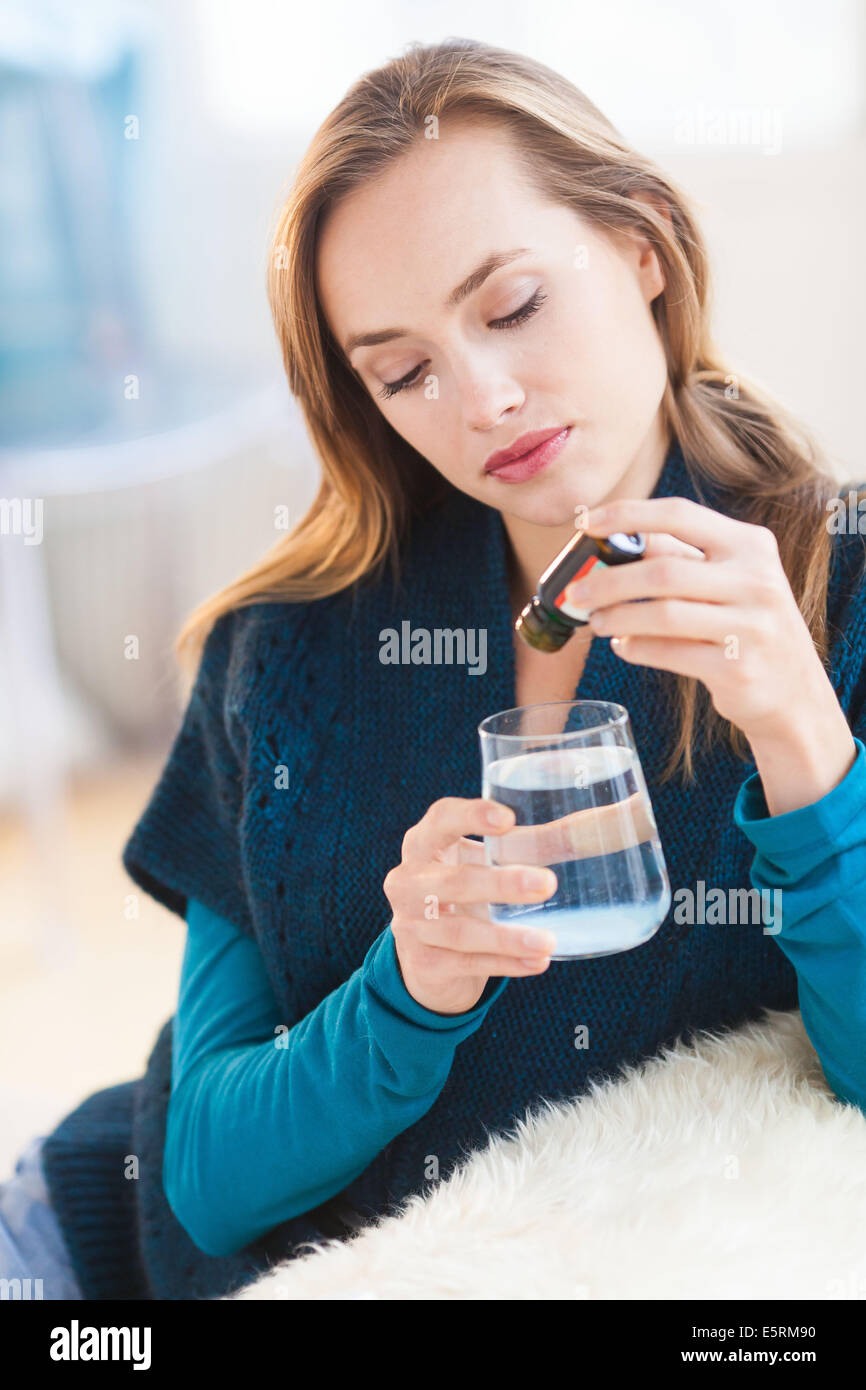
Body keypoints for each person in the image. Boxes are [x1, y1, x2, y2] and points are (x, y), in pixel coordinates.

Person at [6, 38, 866, 1302]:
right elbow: (205, 1177)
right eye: (402, 371)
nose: (481, 399)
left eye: (511, 305)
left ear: (642, 247)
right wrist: (407, 987)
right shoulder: (286, 649)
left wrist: (805, 744)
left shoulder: (833, 592)